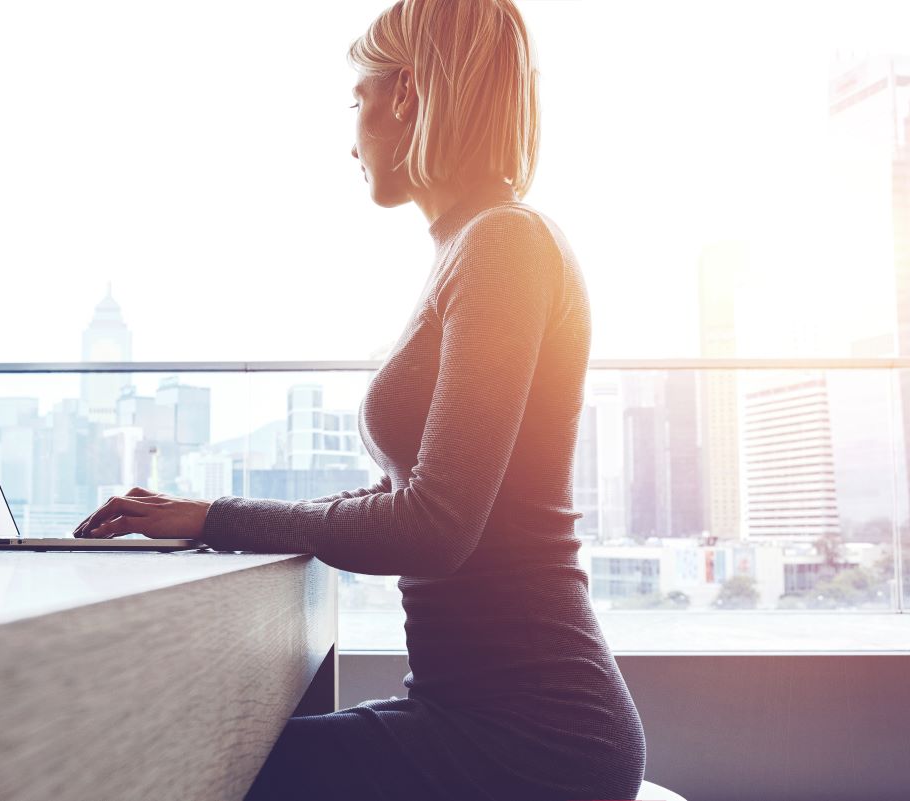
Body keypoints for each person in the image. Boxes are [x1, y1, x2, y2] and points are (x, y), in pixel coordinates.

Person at [73, 0, 647, 798]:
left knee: (184, 770)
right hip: (475, 714)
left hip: (534, 739)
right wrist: (206, 510)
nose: (350, 137)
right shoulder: (467, 247)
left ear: (406, 93)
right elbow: (405, 496)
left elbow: (434, 525)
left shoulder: (504, 244)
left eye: (357, 99)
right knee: (204, 759)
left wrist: (214, 517)